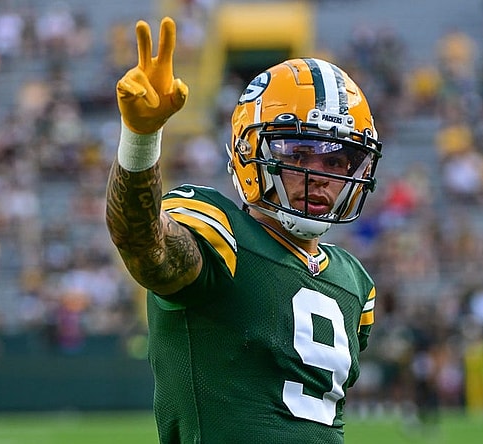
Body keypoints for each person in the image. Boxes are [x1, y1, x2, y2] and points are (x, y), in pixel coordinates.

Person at [105, 17, 383, 443]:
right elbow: (144, 243)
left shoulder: (353, 284)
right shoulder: (223, 237)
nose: (321, 175)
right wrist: (141, 138)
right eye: (300, 152)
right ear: (251, 154)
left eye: (337, 161)